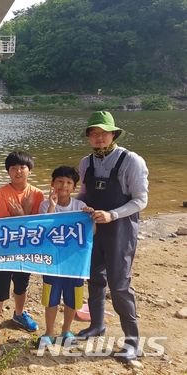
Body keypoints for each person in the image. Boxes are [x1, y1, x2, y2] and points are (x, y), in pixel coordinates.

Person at [76, 111, 149, 362]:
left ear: (113, 134)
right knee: (95, 278)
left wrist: (113, 214)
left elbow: (141, 200)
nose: (99, 137)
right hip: (94, 228)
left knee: (119, 285)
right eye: (93, 133)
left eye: (103, 133)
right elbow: (84, 194)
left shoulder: (131, 161)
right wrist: (65, 205)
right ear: (88, 137)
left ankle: (132, 341)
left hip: (121, 228)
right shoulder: (86, 163)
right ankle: (97, 325)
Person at [0, 151, 45, 350]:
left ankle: (19, 314)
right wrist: (23, 214)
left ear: (30, 170)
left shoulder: (37, 194)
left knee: (22, 285)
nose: (18, 171)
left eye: (22, 167)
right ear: (8, 172)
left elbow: (37, 225)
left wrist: (23, 214)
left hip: (26, 249)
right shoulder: (1, 193)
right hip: (4, 250)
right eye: (13, 168)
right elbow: (3, 225)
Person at [37, 166, 95, 348]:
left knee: (72, 297)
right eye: (60, 181)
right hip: (52, 262)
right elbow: (42, 229)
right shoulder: (45, 205)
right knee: (51, 298)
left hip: (74, 263)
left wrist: (90, 218)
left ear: (74, 187)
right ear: (53, 183)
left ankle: (66, 330)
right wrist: (52, 207)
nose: (64, 185)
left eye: (69, 182)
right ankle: (48, 332)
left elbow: (91, 233)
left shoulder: (79, 207)